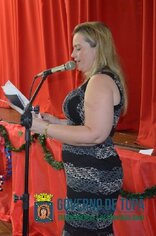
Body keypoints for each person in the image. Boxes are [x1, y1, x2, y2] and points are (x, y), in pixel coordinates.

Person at [31, 22, 128, 235]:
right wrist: (55, 122)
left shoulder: (100, 81)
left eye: (78, 47)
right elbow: (85, 124)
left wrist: (43, 127)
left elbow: (94, 134)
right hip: (87, 174)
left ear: (98, 47)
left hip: (94, 176)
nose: (72, 54)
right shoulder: (97, 80)